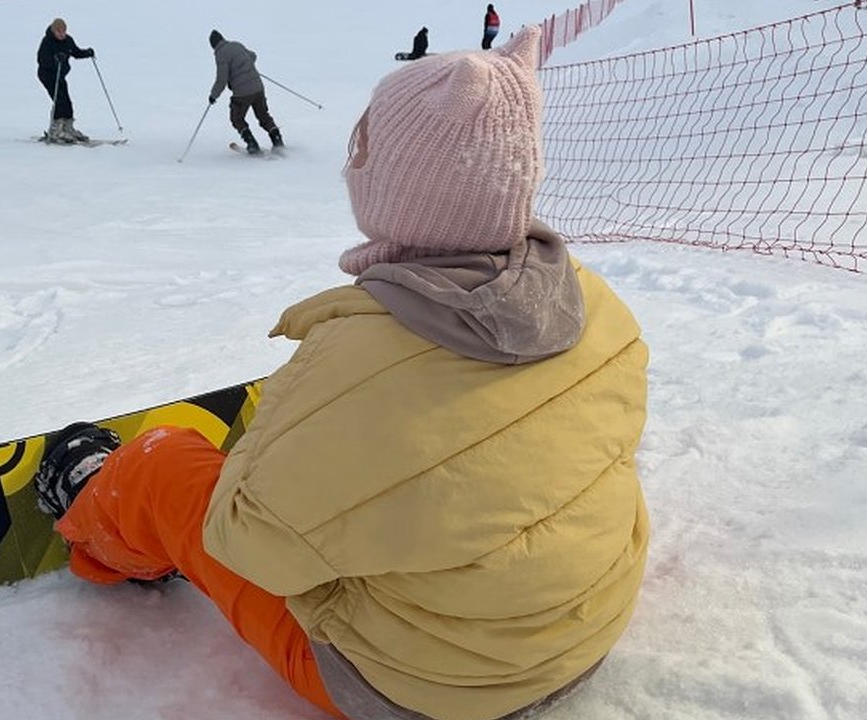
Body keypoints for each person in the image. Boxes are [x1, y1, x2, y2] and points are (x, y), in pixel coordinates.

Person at [35, 25, 649, 720]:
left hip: (422, 690)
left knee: (167, 465)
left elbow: (248, 547)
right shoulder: (598, 305)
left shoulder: (359, 358)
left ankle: (94, 512)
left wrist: (274, 453)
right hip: (584, 635)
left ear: (391, 190)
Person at [208, 29, 283, 155]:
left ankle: (252, 144)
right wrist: (244, 66)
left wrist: (213, 95)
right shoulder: (237, 44)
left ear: (213, 45)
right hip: (258, 87)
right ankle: (277, 140)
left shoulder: (220, 54)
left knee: (237, 118)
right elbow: (253, 56)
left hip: (242, 93)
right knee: (263, 115)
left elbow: (222, 79)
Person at [37, 18, 96, 144]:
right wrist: (55, 59)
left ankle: (68, 128)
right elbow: (42, 60)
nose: (62, 34)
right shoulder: (47, 42)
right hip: (47, 75)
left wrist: (87, 53)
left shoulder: (68, 40)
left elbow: (75, 52)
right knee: (59, 99)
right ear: (54, 31)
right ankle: (55, 130)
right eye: (59, 32)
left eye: (63, 31)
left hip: (60, 75)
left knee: (67, 101)